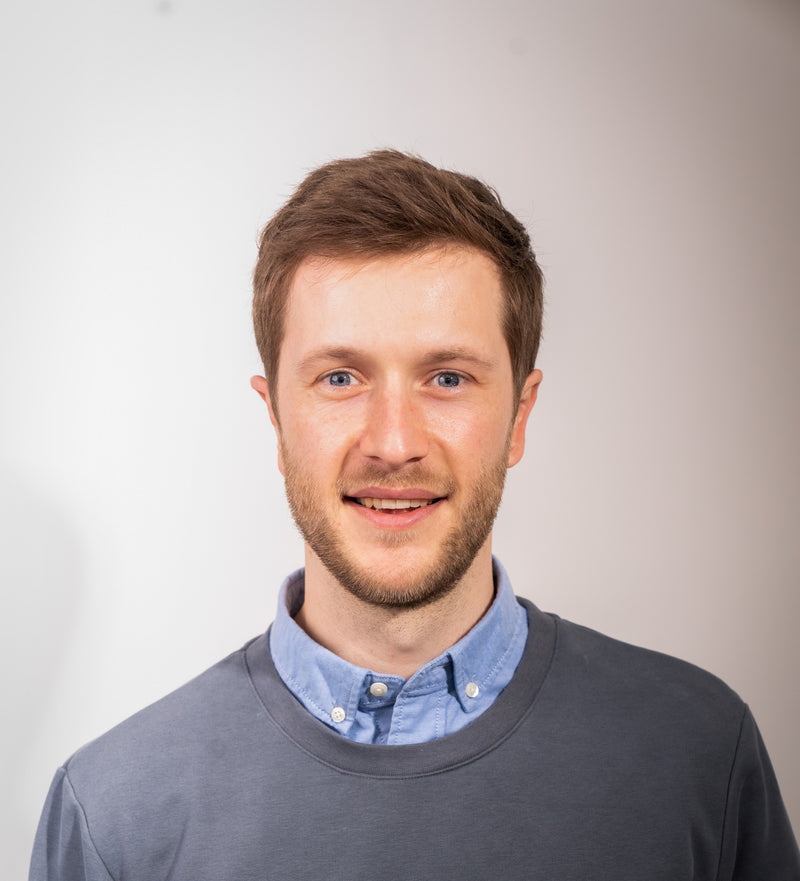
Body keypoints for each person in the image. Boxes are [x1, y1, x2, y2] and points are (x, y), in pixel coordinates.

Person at [30, 150, 799, 880]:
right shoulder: (113, 815)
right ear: (275, 418)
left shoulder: (702, 756)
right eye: (340, 377)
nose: (394, 443)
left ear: (519, 416)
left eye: (447, 377)